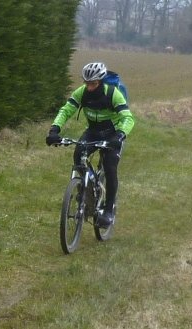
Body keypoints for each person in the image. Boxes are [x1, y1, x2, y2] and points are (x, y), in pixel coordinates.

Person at [46, 62, 135, 228]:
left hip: (113, 133)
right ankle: (84, 193)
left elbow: (128, 118)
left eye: (93, 83)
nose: (90, 87)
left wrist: (120, 135)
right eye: (86, 83)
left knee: (110, 167)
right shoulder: (82, 92)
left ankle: (108, 211)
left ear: (100, 81)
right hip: (93, 131)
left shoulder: (112, 93)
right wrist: (54, 129)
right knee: (78, 155)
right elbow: (66, 110)